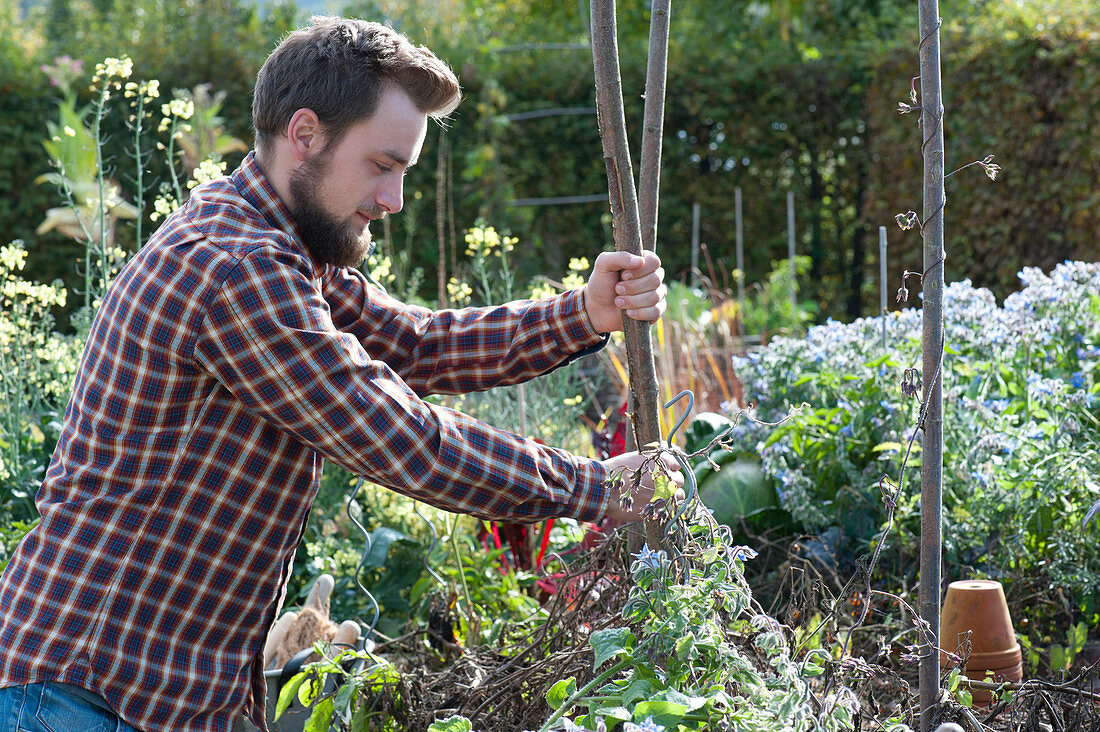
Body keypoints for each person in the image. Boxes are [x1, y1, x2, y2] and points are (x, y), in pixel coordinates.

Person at [0, 16, 676, 732]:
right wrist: (598, 488)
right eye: (382, 167)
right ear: (305, 135)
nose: (393, 200)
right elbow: (396, 438)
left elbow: (412, 345)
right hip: (82, 697)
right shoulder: (238, 268)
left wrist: (582, 313)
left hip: (142, 695)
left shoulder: (284, 245)